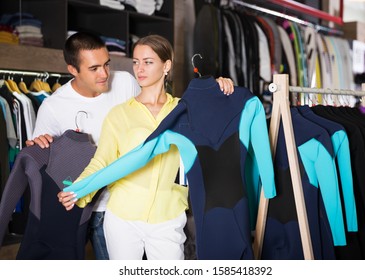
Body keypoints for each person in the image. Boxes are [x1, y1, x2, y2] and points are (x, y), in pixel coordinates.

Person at [29, 32, 234, 260]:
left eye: (148, 62)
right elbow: (102, 160)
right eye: (136, 62)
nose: (140, 69)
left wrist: (217, 91)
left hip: (169, 216)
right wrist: (79, 190)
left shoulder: (185, 110)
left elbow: (217, 134)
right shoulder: (118, 114)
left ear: (166, 66)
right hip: (122, 217)